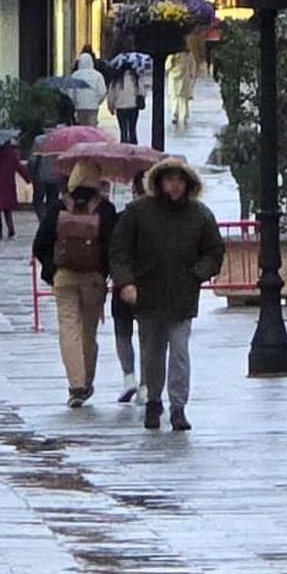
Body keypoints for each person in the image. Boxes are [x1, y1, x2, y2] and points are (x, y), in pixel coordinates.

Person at [110, 158, 225, 432]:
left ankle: (178, 406)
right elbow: (120, 251)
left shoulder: (200, 215)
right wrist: (126, 282)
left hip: (182, 296)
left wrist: (197, 273)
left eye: (179, 180)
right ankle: (153, 400)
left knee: (179, 353)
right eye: (169, 179)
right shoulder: (138, 213)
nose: (175, 185)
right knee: (152, 352)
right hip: (148, 295)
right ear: (159, 182)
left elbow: (214, 251)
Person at [33, 160, 119, 409]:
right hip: (93, 279)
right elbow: (113, 247)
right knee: (88, 333)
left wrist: (52, 270)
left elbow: (40, 244)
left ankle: (76, 385)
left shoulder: (59, 207)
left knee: (68, 329)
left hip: (64, 277)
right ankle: (87, 381)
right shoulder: (106, 209)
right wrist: (104, 272)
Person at [110, 173, 148, 403]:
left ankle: (129, 378)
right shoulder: (159, 220)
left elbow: (113, 252)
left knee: (123, 332)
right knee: (147, 336)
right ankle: (144, 384)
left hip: (124, 284)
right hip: (149, 284)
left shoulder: (120, 219)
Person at [0, 141, 30, 240]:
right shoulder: (11, 153)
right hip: (8, 185)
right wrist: (28, 179)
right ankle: (11, 229)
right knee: (7, 210)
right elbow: (19, 167)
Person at [108, 62, 143, 145]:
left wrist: (111, 107)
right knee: (132, 129)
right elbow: (142, 92)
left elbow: (111, 95)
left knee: (123, 130)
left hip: (120, 108)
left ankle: (124, 145)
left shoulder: (116, 81)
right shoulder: (135, 79)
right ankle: (134, 146)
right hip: (133, 107)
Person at [70, 52, 107, 126]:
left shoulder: (75, 75)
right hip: (92, 106)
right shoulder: (97, 75)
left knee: (82, 127)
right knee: (91, 127)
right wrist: (97, 101)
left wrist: (75, 102)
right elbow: (102, 91)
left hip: (80, 106)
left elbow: (71, 92)